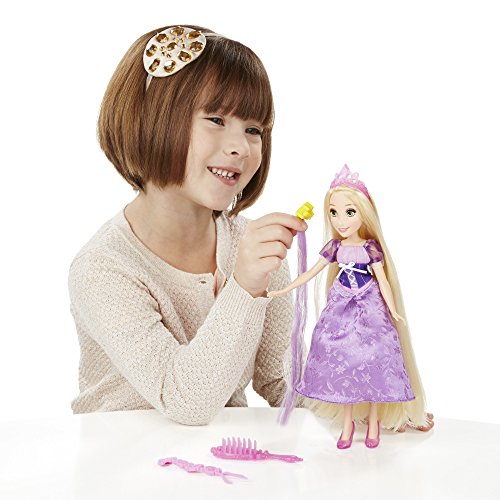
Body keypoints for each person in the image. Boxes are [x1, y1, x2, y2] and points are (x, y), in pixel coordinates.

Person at [68, 25, 306, 425]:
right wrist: (244, 287)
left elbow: (282, 382)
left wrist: (374, 406)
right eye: (216, 119)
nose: (240, 147)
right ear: (152, 120)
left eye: (253, 130)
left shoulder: (251, 249)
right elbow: (185, 401)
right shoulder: (102, 268)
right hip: (121, 459)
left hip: (217, 459)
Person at [268, 165, 433, 447]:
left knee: (374, 357)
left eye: (349, 212)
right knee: (341, 359)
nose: (340, 220)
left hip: (370, 305)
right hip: (341, 304)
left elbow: (383, 280)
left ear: (363, 214)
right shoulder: (335, 247)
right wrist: (286, 288)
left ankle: (374, 422)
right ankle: (347, 424)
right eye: (333, 212)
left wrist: (393, 310)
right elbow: (311, 272)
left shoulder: (370, 248)